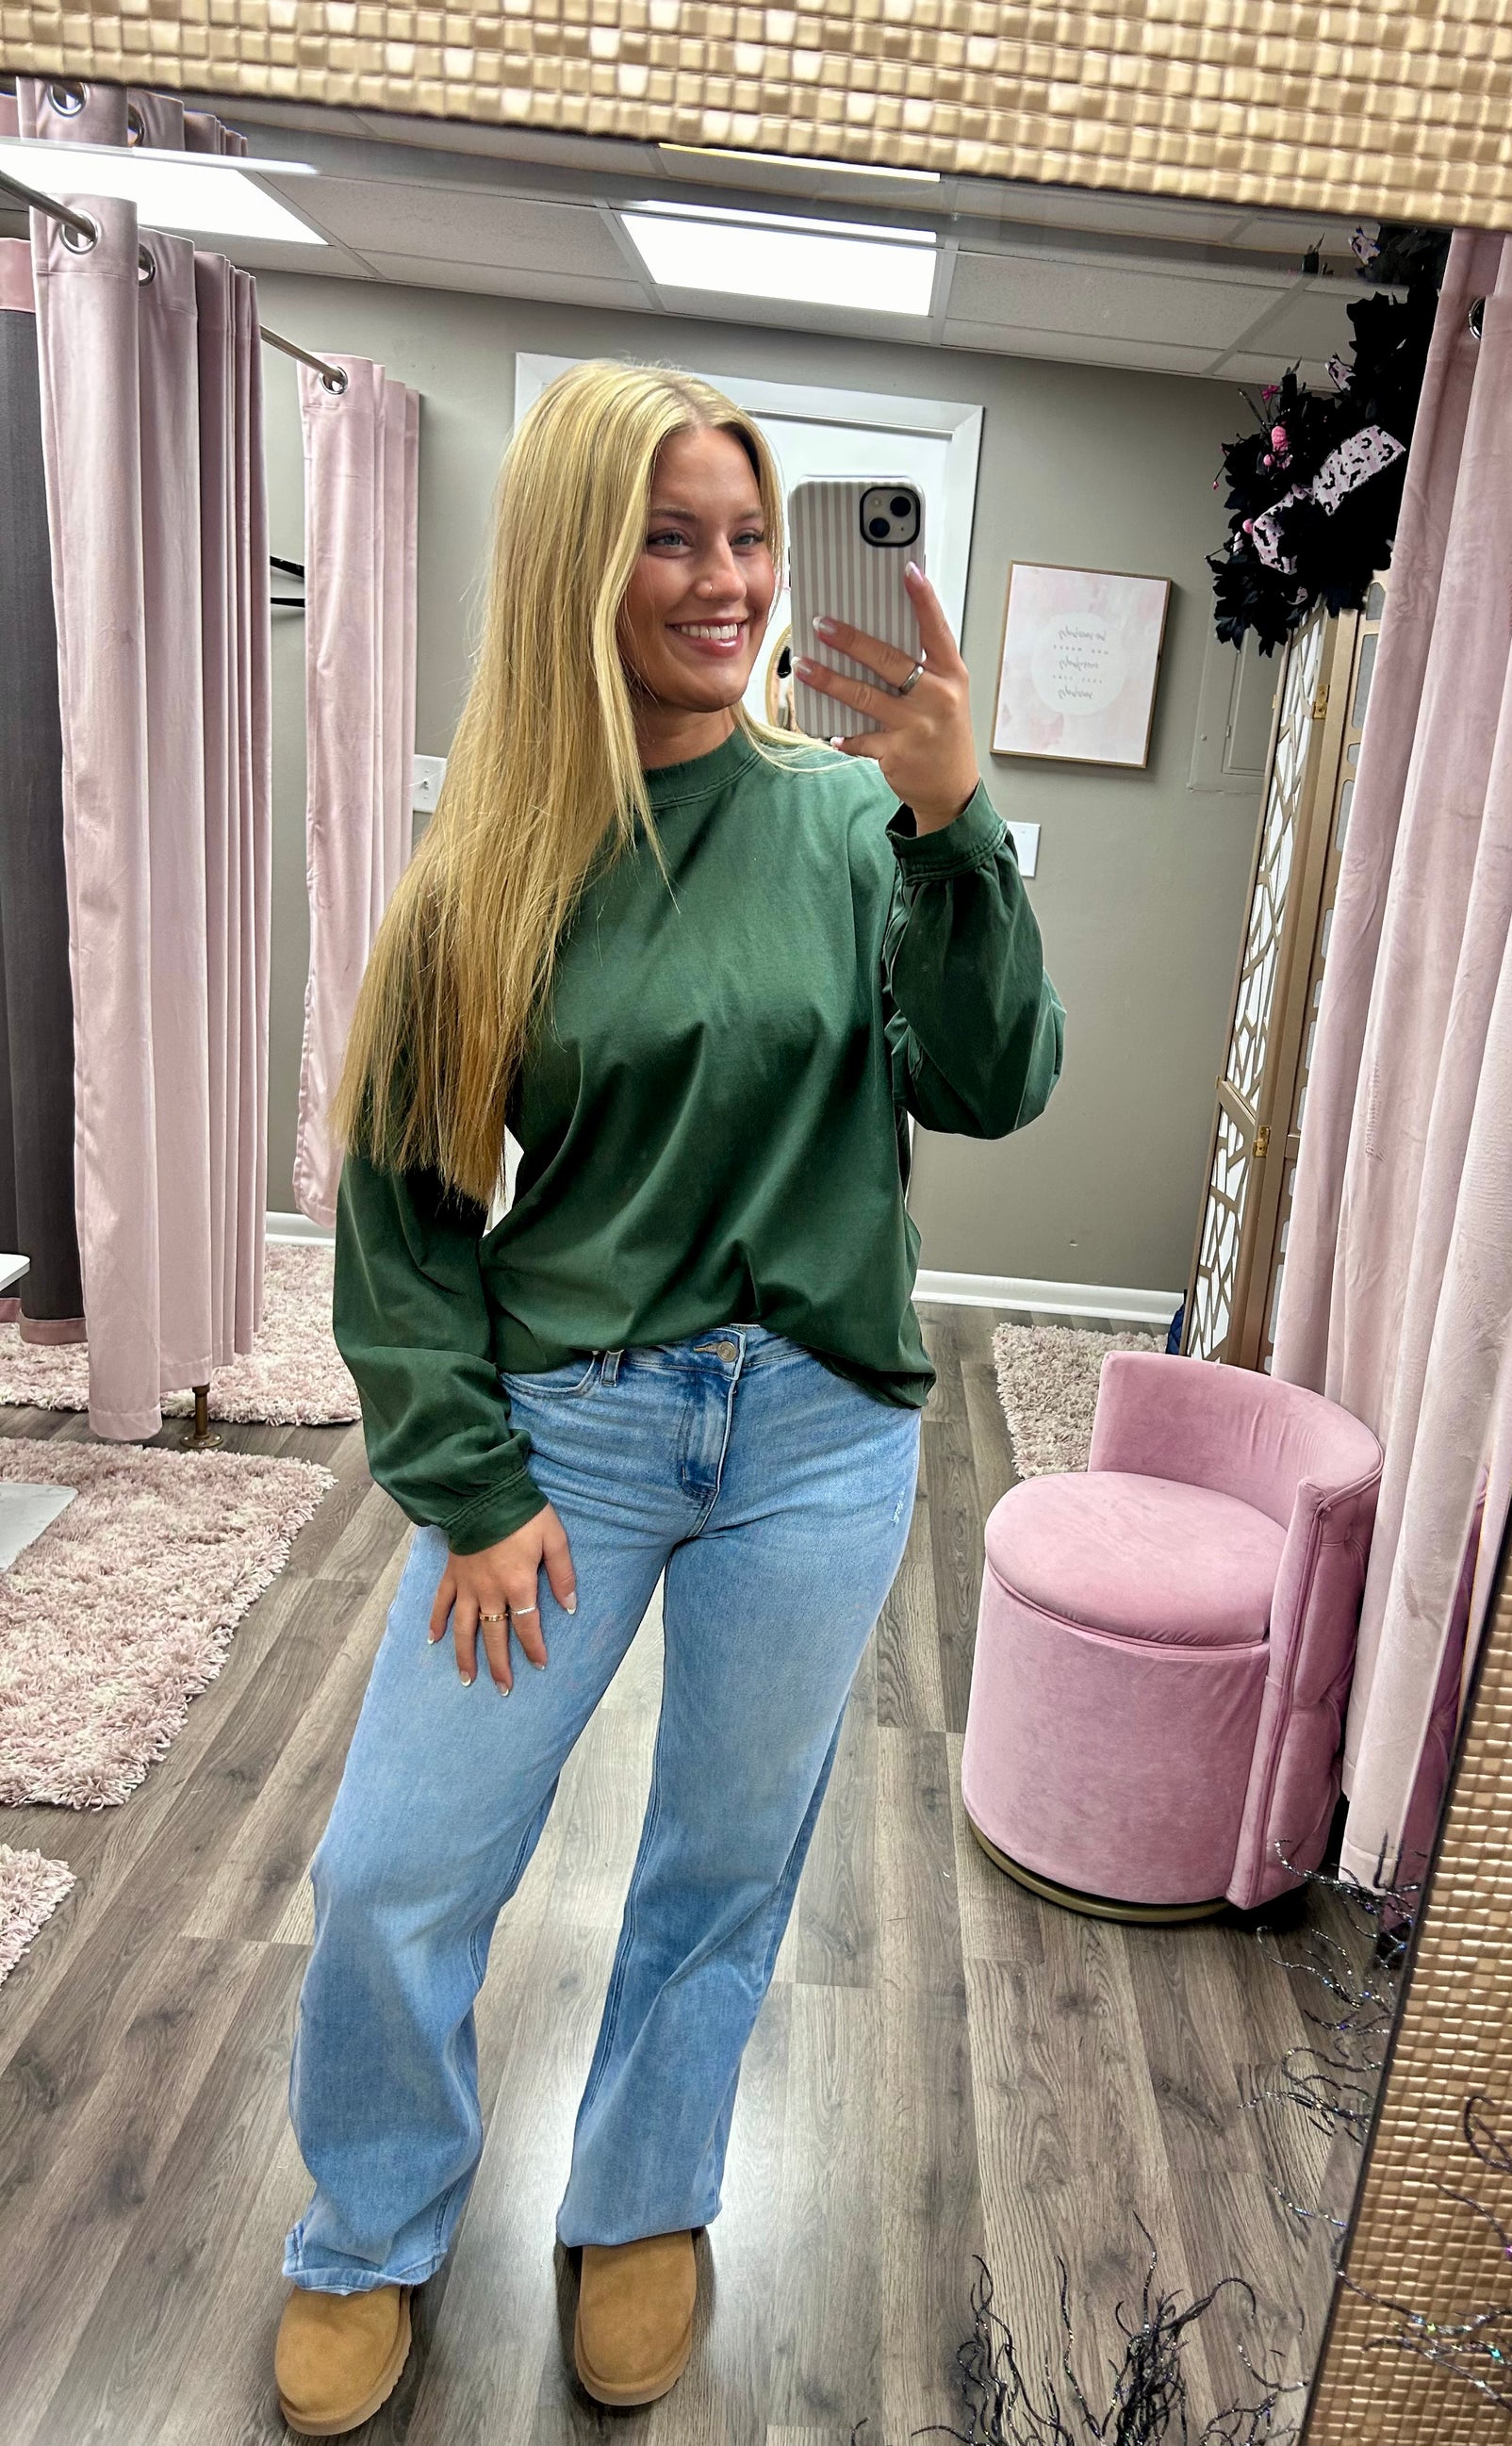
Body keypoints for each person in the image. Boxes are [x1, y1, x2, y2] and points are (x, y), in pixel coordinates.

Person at [271, 360, 1064, 2437]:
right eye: (671, 537)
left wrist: (958, 818)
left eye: (748, 536)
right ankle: (370, 2221)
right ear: (574, 558)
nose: (726, 581)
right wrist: (467, 1486)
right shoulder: (486, 868)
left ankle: (638, 2197)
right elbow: (403, 1216)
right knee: (393, 1864)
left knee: (722, 1862)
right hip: (576, 1435)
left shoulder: (853, 821)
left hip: (817, 1439)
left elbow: (994, 1080)